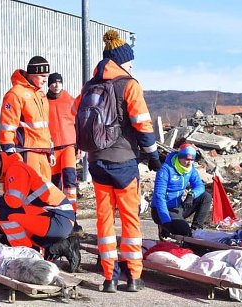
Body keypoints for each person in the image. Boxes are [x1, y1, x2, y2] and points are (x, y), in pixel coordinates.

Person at [74, 30, 161, 293]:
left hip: (97, 162)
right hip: (124, 162)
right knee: (130, 220)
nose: (132, 67)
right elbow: (143, 124)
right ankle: (133, 277)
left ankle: (109, 277)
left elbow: (76, 114)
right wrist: (153, 155)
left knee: (104, 220)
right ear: (121, 62)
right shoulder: (129, 85)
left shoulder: (90, 86)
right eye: (130, 63)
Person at [0, 146, 81, 273]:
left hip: (58, 218)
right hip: (54, 218)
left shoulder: (16, 169)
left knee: (7, 215)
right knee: (6, 221)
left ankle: (30, 258)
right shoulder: (12, 170)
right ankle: (49, 249)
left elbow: (13, 202)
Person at [0, 56, 55, 180]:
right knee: (30, 192)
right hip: (26, 152)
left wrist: (50, 150)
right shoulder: (15, 94)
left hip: (42, 152)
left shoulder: (40, 95)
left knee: (46, 193)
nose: (46, 80)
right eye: (42, 76)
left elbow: (44, 127)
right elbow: (7, 125)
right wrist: (10, 153)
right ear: (32, 74)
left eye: (47, 76)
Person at [47, 72, 84, 235]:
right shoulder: (42, 102)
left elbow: (79, 124)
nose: (56, 85)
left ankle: (72, 218)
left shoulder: (70, 101)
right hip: (52, 150)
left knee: (70, 184)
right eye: (53, 82)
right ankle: (54, 217)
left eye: (59, 82)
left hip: (69, 147)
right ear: (49, 84)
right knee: (52, 185)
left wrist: (81, 146)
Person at [151, 143, 212, 238]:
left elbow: (200, 186)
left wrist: (192, 194)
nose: (189, 162)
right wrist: (165, 221)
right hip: (162, 210)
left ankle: (196, 230)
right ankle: (164, 227)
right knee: (183, 231)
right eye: (187, 159)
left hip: (178, 208)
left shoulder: (190, 169)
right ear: (180, 157)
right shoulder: (165, 169)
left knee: (206, 196)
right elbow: (159, 196)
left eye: (192, 160)